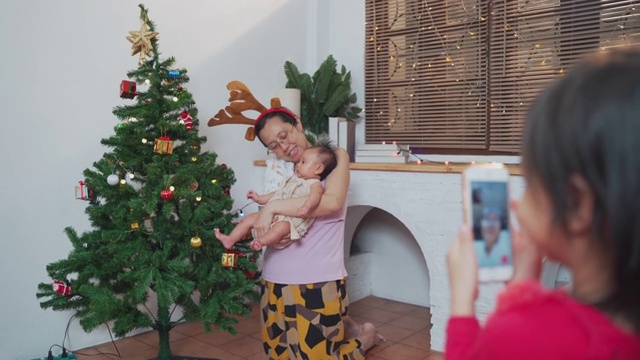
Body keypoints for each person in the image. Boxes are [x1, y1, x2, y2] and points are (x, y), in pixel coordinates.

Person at [446, 48, 640, 359]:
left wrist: (461, 302)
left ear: (576, 205)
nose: (519, 202)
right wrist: (523, 287)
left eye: (531, 180)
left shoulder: (526, 335)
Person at [252, 107, 383, 359]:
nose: (284, 146)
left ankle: (366, 337)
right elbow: (271, 221)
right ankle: (348, 325)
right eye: (274, 145)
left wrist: (271, 207)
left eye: (284, 134)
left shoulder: (333, 157)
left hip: (317, 280)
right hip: (274, 277)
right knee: (278, 354)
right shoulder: (285, 175)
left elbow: (332, 202)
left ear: (297, 124)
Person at [214, 141, 337, 251]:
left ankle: (260, 242)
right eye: (299, 161)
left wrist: (307, 206)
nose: (298, 165)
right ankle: (230, 239)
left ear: (318, 169)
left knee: (281, 228)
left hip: (291, 221)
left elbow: (316, 197)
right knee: (249, 219)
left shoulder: (315, 184)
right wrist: (260, 198)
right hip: (274, 215)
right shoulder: (292, 180)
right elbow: (278, 193)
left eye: (303, 162)